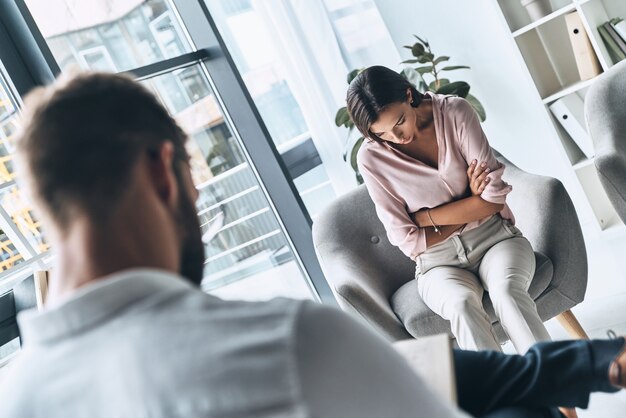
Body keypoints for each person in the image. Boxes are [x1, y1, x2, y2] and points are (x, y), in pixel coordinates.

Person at [0, 72, 624, 418]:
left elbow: (449, 373)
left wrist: (593, 363)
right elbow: (452, 385)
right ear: (164, 172)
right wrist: (596, 365)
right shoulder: (284, 341)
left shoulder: (16, 397)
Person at [347, 65, 550, 353]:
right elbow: (408, 239)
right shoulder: (370, 158)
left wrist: (427, 218)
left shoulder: (455, 112)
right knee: (461, 306)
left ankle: (556, 384)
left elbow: (493, 199)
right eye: (383, 134)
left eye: (400, 121)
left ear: (408, 94)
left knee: (508, 294)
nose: (397, 137)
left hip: (495, 239)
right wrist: (472, 202)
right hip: (437, 264)